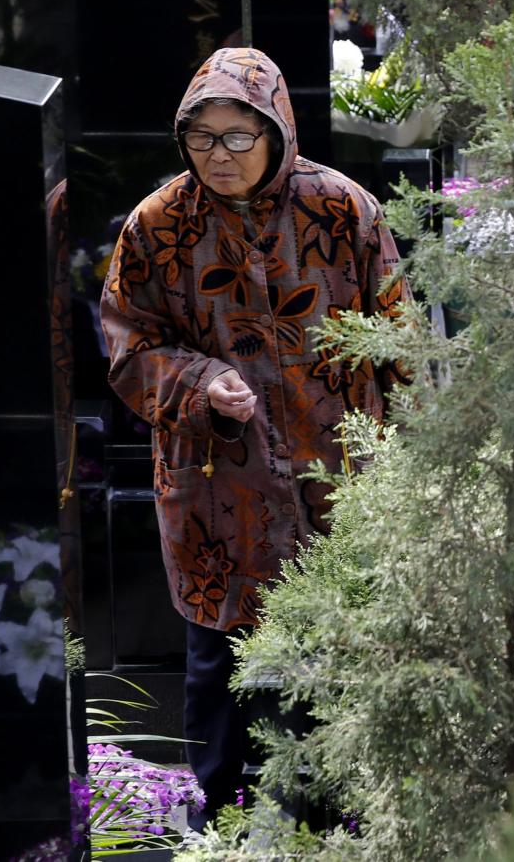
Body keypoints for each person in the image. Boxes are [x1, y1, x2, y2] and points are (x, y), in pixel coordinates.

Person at [100, 48, 409, 828]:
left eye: (237, 136)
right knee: (223, 663)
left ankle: (343, 818)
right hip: (217, 489)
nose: (219, 155)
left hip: (339, 476)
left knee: (344, 647)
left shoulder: (344, 211)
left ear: (276, 131)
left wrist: (413, 469)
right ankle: (227, 818)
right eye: (201, 138)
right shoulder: (156, 226)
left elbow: (399, 341)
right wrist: (199, 381)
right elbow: (128, 345)